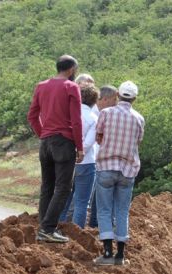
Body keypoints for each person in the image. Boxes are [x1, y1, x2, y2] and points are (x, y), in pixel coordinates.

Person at [27, 54, 83, 243]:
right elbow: (76, 121)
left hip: (45, 142)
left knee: (47, 186)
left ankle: (44, 226)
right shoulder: (71, 86)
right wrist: (80, 147)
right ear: (71, 70)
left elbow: (32, 116)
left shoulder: (41, 86)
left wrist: (43, 134)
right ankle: (48, 229)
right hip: (64, 142)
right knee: (63, 188)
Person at [94, 81, 144, 266]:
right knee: (122, 211)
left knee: (104, 210)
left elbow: (98, 136)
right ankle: (120, 256)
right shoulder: (139, 118)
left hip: (106, 166)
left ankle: (107, 253)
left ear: (118, 95)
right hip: (128, 169)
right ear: (134, 98)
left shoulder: (106, 113)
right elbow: (138, 142)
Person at [59, 85, 99, 228]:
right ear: (95, 101)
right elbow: (88, 144)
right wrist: (79, 153)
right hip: (86, 162)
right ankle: (76, 235)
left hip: (66, 160)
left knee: (64, 198)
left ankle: (59, 229)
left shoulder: (67, 114)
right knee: (82, 202)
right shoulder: (94, 118)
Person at [87, 85, 119, 228]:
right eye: (114, 99)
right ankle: (93, 224)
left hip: (99, 159)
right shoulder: (94, 114)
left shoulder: (104, 113)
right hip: (91, 159)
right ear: (105, 99)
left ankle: (95, 223)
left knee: (98, 193)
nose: (116, 103)